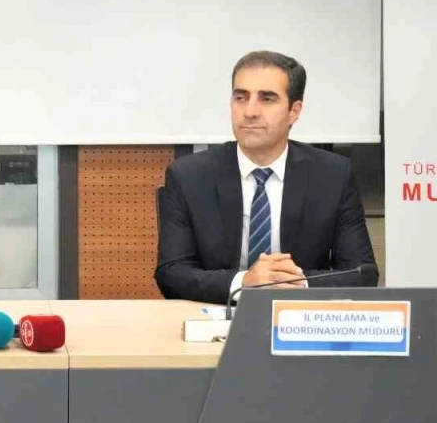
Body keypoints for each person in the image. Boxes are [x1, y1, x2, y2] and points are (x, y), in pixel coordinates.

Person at [155, 51, 377, 304]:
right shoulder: (189, 176)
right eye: (241, 97)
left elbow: (362, 274)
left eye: (267, 99)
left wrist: (296, 282)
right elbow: (171, 273)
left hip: (300, 316)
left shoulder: (333, 175)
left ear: (294, 111)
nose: (250, 111)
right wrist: (243, 282)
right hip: (216, 314)